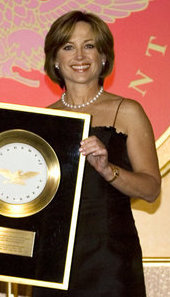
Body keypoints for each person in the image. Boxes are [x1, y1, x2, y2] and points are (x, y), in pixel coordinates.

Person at [33, 10, 161, 297]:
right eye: (68, 47)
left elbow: (152, 190)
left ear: (103, 57)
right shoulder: (39, 121)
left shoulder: (127, 111)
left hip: (110, 260)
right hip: (51, 262)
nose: (80, 56)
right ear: (54, 59)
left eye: (89, 45)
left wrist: (107, 170)